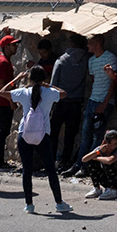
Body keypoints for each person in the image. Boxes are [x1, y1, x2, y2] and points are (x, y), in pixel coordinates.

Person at [3, 63, 72, 216]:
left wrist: (16, 78)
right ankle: (59, 203)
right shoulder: (49, 92)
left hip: (24, 133)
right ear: (44, 78)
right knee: (50, 170)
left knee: (27, 170)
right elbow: (64, 93)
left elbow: (3, 92)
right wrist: (49, 84)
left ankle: (29, 204)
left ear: (30, 77)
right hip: (43, 135)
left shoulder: (24, 92)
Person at [77, 34, 117, 170]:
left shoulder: (110, 58)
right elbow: (94, 79)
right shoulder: (91, 61)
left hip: (104, 102)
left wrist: (105, 103)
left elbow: (113, 83)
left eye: (90, 43)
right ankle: (80, 164)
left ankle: (89, 166)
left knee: (97, 136)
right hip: (92, 100)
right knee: (85, 134)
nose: (88, 46)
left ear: (97, 44)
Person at [51, 33, 89, 174]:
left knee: (54, 132)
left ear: (72, 44)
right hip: (76, 102)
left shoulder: (61, 61)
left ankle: (50, 160)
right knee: (70, 135)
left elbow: (53, 84)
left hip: (61, 101)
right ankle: (65, 162)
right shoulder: (85, 60)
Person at [0, 35, 19, 169]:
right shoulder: (3, 62)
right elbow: (2, 85)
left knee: (1, 130)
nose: (16, 47)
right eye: (13, 45)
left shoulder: (0, 57)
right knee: (3, 131)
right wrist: (11, 100)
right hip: (3, 101)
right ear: (6, 47)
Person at [80, 129, 117, 200]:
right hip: (105, 178)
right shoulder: (101, 149)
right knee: (91, 162)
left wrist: (97, 158)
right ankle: (97, 188)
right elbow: (84, 159)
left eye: (114, 144)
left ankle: (113, 190)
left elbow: (109, 160)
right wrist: (97, 152)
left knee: (106, 162)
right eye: (110, 144)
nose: (112, 147)